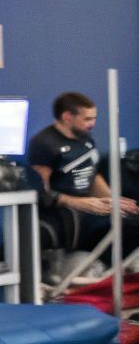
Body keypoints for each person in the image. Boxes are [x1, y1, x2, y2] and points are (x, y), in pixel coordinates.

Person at [27, 91, 137, 252]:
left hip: (91, 205)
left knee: (131, 217)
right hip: (66, 210)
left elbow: (93, 175)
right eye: (87, 119)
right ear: (67, 117)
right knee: (125, 231)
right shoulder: (44, 143)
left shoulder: (85, 137)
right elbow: (42, 191)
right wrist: (79, 203)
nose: (92, 123)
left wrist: (112, 199)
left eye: (94, 118)